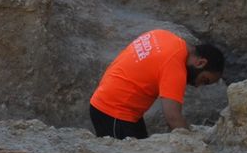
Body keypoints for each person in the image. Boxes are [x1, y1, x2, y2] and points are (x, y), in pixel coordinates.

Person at [89, 29, 224, 139]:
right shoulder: (175, 67)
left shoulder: (163, 35)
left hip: (113, 105)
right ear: (200, 63)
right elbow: (173, 118)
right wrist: (195, 146)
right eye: (204, 80)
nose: (197, 85)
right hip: (114, 112)